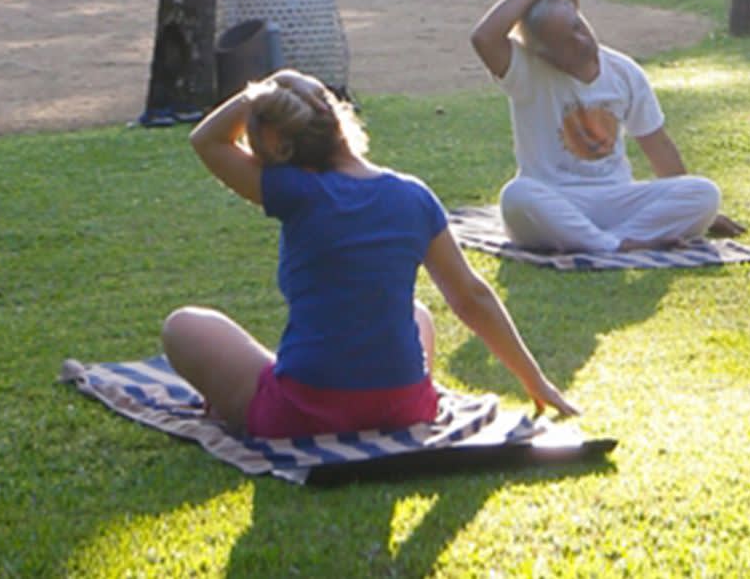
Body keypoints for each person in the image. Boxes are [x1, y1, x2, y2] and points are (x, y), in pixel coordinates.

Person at [161, 70, 577, 438]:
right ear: (337, 120)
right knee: (419, 314)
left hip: (301, 413)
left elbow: (208, 139)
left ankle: (256, 395)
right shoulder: (414, 197)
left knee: (183, 326)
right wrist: (534, 380)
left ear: (283, 153)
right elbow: (472, 297)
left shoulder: (295, 191)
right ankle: (372, 390)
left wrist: (266, 87)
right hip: (405, 410)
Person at [471, 0, 744, 255]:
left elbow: (658, 146)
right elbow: (483, 37)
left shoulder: (624, 71)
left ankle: (610, 240)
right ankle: (614, 244)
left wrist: (701, 212)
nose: (581, 40)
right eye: (565, 41)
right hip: (555, 197)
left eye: (578, 26)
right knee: (516, 196)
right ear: (545, 54)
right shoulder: (528, 71)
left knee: (704, 192)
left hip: (615, 198)